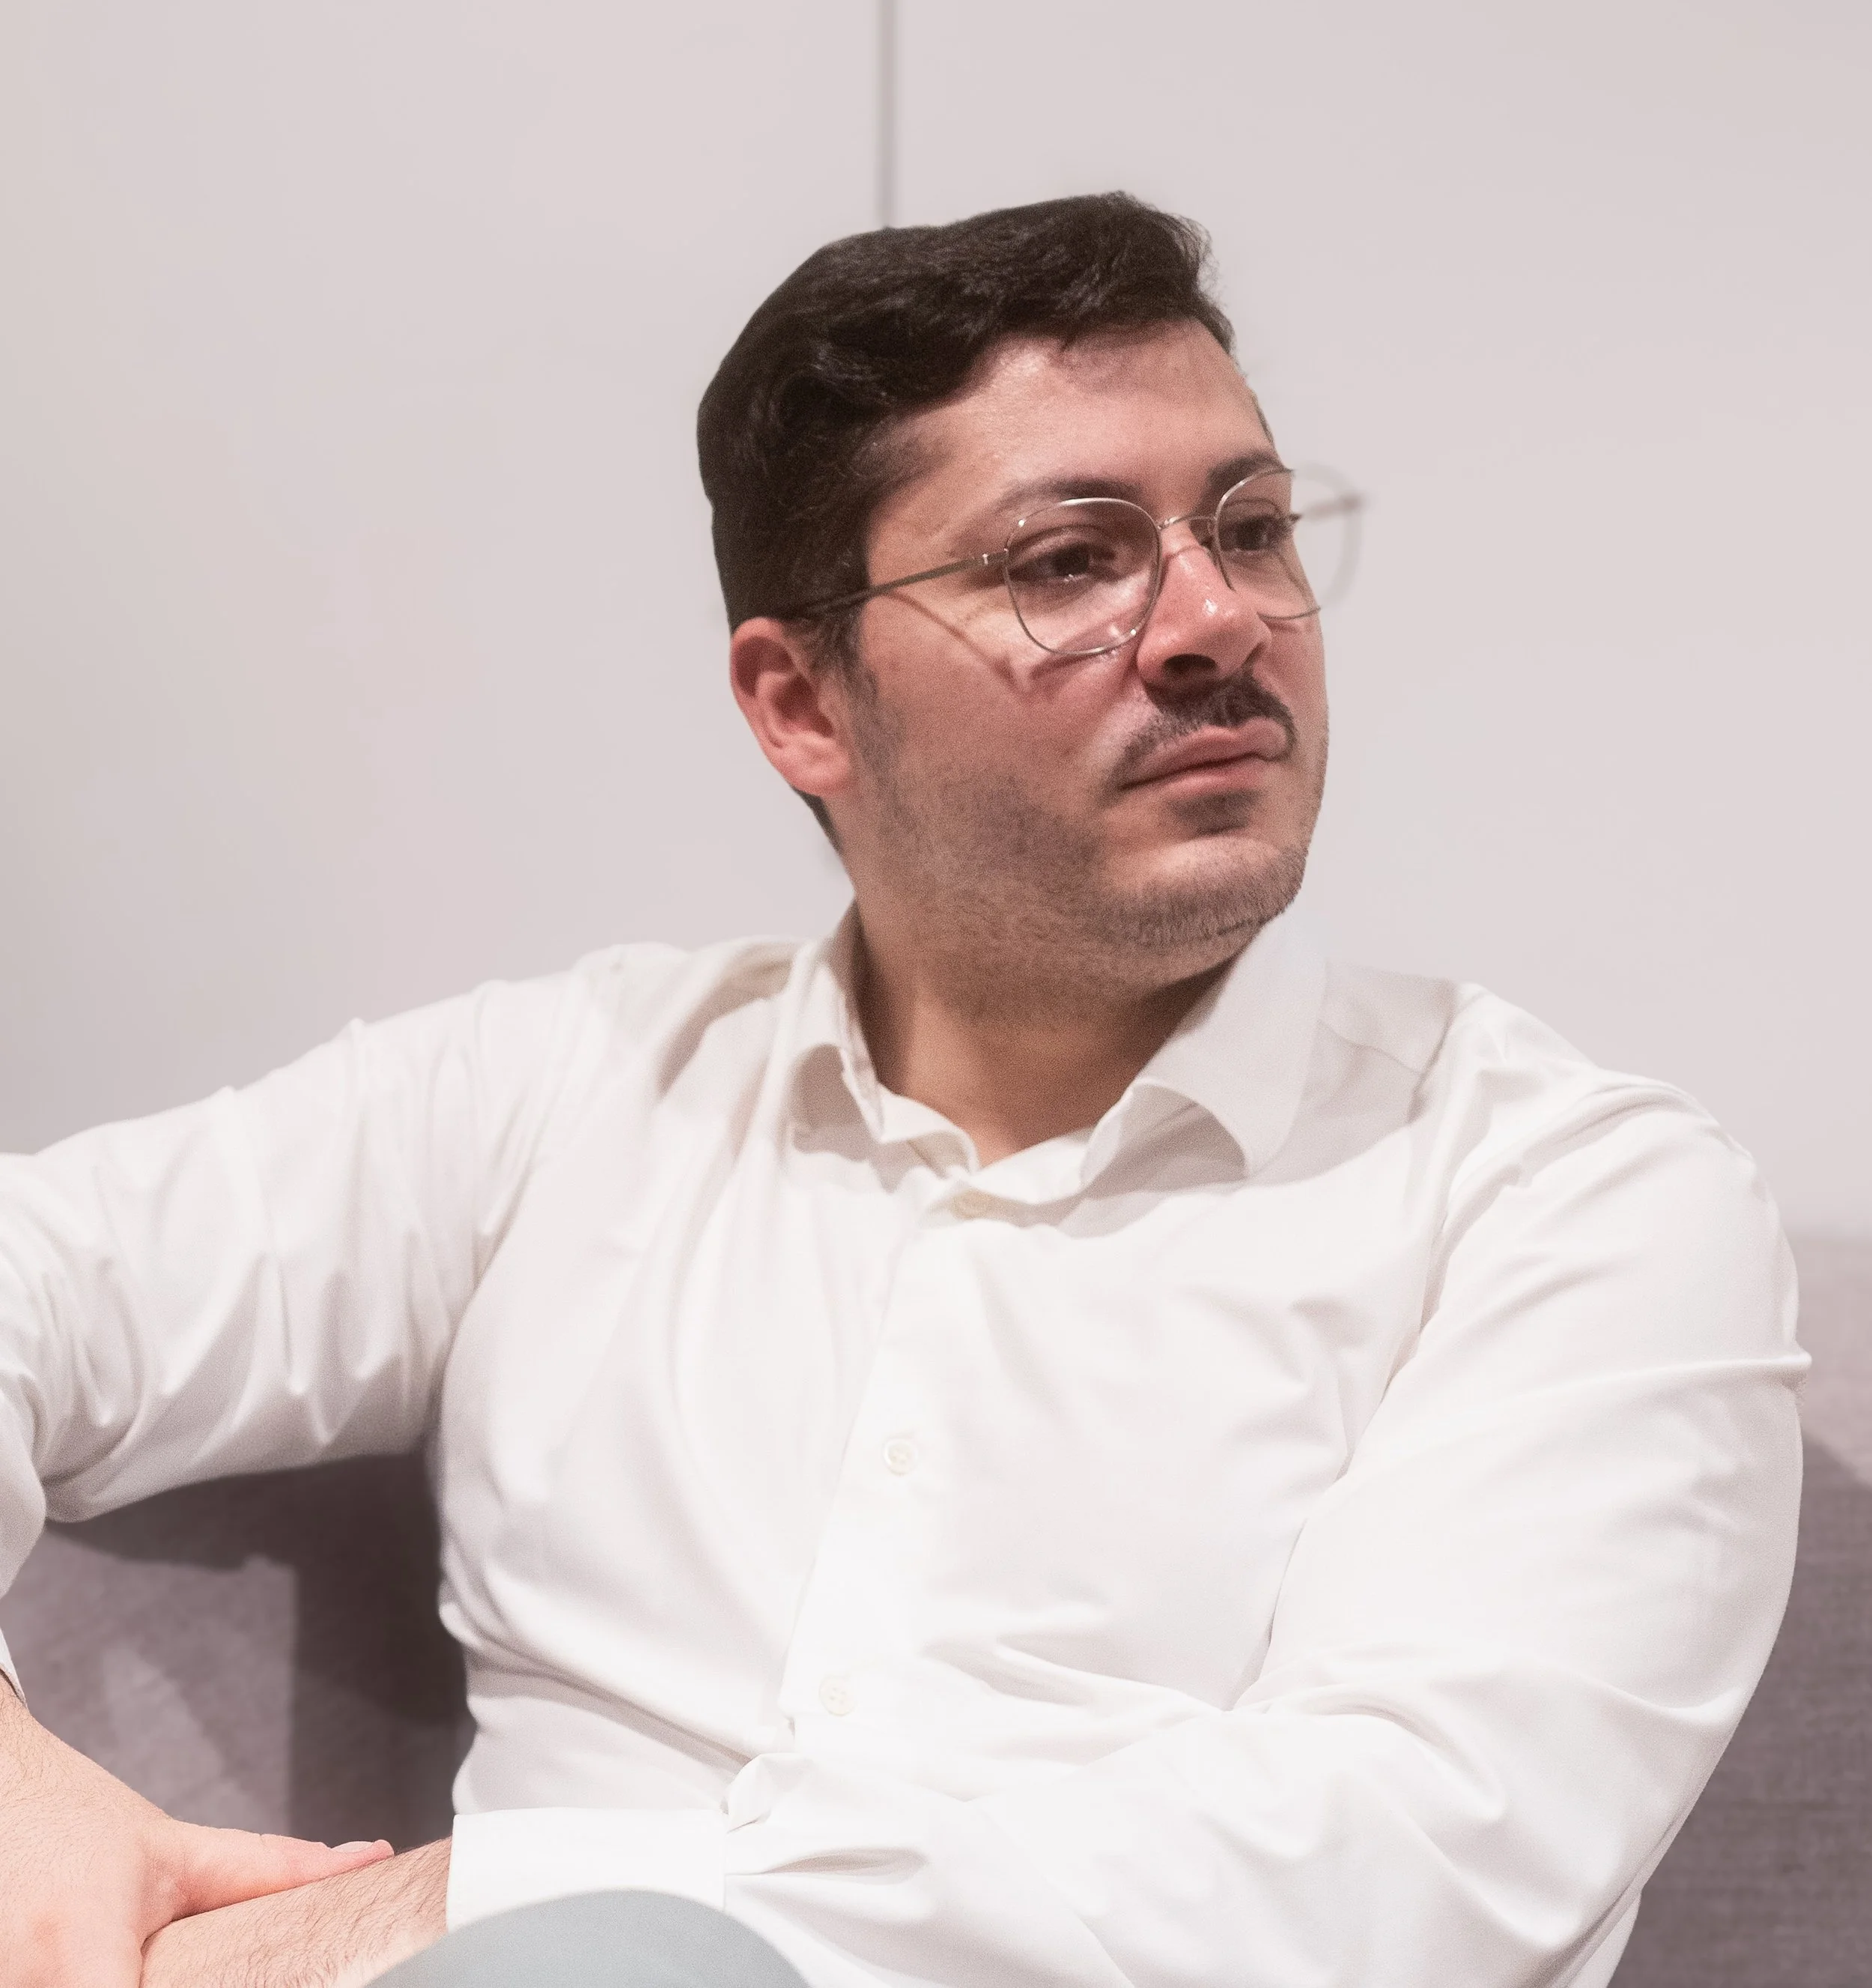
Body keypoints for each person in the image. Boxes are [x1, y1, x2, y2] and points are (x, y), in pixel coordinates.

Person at [0, 194, 1803, 1988]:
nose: (1214, 620)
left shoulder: (1570, 1195)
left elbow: (1396, 1870)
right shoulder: (561, 1094)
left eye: (1251, 528)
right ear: (802, 704)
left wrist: (454, 1910)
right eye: (1068, 562)